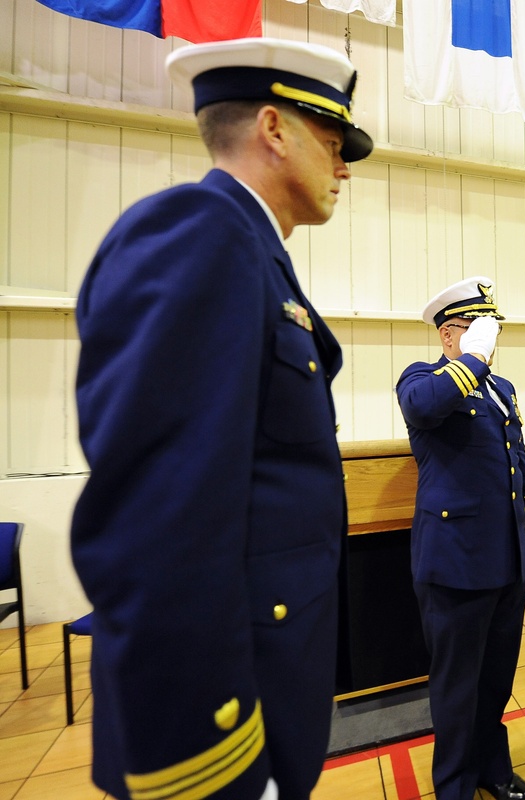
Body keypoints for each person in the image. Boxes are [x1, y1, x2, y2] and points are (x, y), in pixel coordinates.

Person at [70, 38, 373, 800]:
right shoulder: (200, 234)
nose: (343, 170)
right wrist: (216, 769)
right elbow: (156, 523)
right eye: (333, 145)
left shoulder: (254, 253)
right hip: (219, 729)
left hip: (270, 685)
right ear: (274, 128)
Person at [396, 276, 525, 800]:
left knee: (496, 678)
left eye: (492, 332)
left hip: (504, 559)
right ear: (449, 334)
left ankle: (490, 768)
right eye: (479, 329)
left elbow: (516, 457)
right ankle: (453, 786)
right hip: (455, 561)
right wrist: (471, 362)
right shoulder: (422, 377)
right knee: (457, 687)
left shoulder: (501, 391)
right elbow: (422, 408)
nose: (491, 341)